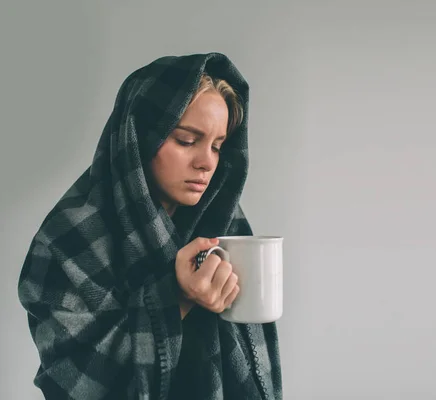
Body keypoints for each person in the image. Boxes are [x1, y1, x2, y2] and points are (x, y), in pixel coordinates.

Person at [17, 53, 282, 399]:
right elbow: (72, 382)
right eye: (186, 140)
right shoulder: (67, 240)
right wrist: (176, 296)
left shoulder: (222, 222)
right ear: (138, 137)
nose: (206, 163)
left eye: (217, 147)